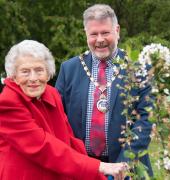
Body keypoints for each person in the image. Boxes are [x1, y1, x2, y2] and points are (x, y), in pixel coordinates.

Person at [0, 40, 129, 180]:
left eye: (39, 70)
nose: (33, 78)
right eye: (25, 72)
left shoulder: (51, 93)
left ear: (48, 73)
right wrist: (99, 166)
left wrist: (97, 174)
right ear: (13, 76)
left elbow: (69, 140)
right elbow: (44, 148)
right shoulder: (8, 103)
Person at [55, 4, 153, 177]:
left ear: (117, 30)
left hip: (128, 167)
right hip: (81, 168)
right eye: (94, 34)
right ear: (86, 34)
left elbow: (145, 120)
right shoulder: (69, 69)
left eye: (105, 32)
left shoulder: (139, 69)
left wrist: (123, 165)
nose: (99, 39)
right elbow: (57, 119)